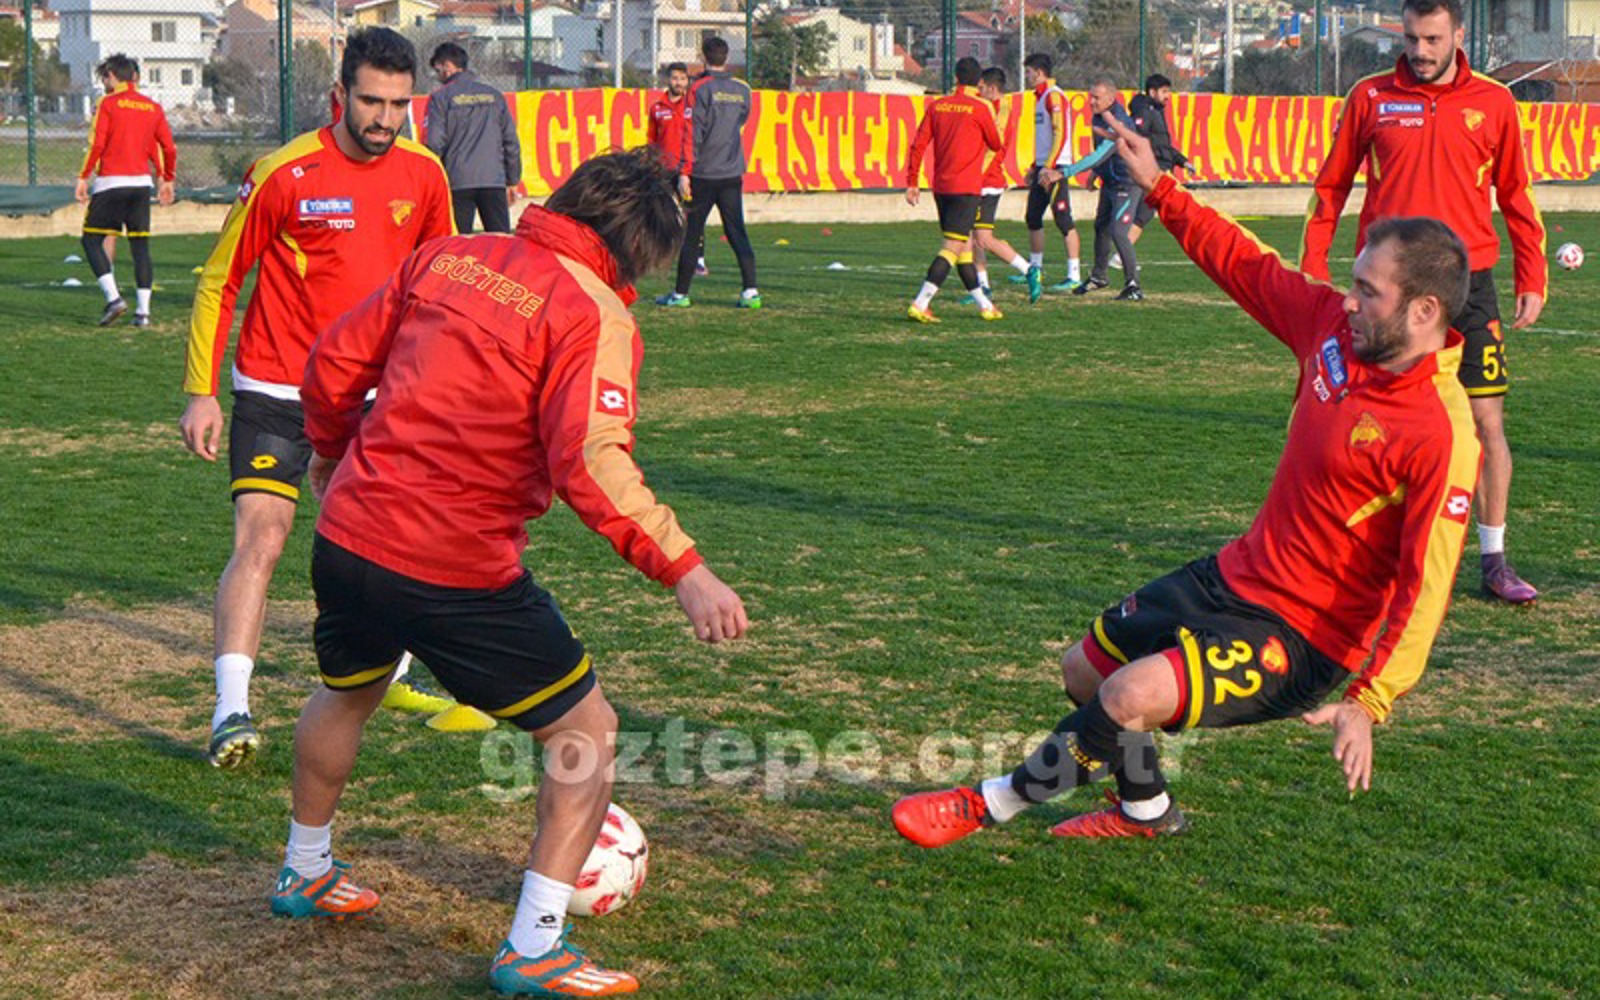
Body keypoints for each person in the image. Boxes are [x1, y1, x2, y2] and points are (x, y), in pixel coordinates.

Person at [894, 116, 1481, 848]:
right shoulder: (1333, 329)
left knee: (1126, 695)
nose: (1350, 300)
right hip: (1236, 575)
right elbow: (1245, 263)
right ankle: (1146, 811)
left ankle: (988, 804)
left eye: (1370, 291)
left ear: (1424, 311)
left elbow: (1427, 584)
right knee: (1085, 671)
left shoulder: (1440, 433)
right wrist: (1160, 188)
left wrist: (1371, 699)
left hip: (1302, 636)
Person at [281, 148, 748, 998]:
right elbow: (591, 461)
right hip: (451, 562)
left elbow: (336, 361)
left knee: (347, 691)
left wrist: (328, 451)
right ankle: (534, 946)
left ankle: (303, 868)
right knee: (587, 735)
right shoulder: (591, 311)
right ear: (637, 249)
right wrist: (685, 568)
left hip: (349, 534)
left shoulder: (449, 255)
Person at [180, 27, 455, 769]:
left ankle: (391, 674)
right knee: (262, 539)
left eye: (398, 104)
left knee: (392, 540)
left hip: (372, 395)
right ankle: (231, 709)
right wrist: (201, 391)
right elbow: (220, 280)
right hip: (276, 388)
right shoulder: (285, 172)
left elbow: (439, 285)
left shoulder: (425, 176)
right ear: (340, 95)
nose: (385, 118)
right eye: (371, 101)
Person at [1301, 0, 1546, 605]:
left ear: (1458, 34)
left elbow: (1516, 192)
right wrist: (1313, 267)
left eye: (1433, 39)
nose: (1420, 51)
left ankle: (1493, 560)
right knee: (1366, 420)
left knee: (1486, 422)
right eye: (1411, 38)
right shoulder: (1371, 95)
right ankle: (1355, 554)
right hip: (1391, 290)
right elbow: (1331, 185)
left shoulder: (1494, 101)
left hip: (1469, 285)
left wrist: (1532, 275)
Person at [658, 36, 759, 309]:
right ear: (727, 57)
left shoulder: (699, 89)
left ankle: (680, 294)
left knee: (692, 233)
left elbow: (692, 133)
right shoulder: (742, 90)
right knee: (736, 231)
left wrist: (684, 172)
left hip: (703, 173)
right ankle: (751, 291)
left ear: (703, 57)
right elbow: (742, 120)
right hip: (731, 173)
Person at [76, 54, 176, 328]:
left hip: (111, 183)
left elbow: (98, 143)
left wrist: (83, 176)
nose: (104, 83)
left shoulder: (107, 103)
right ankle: (143, 313)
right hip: (141, 185)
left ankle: (114, 299)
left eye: (104, 77)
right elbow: (167, 147)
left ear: (111, 76)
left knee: (91, 241)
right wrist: (166, 178)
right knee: (140, 247)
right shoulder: (152, 107)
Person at [903, 57, 1005, 323]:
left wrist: (912, 182)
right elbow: (996, 143)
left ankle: (985, 306)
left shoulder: (937, 106)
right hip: (966, 189)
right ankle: (920, 302)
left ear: (956, 78)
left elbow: (918, 144)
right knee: (951, 247)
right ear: (979, 81)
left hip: (942, 188)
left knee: (963, 250)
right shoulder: (980, 108)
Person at [425, 42, 522, 234]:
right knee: (501, 241)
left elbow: (434, 143)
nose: (437, 75)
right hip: (493, 179)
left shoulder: (440, 98)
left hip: (457, 180)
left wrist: (432, 181)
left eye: (437, 69)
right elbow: (511, 141)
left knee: (458, 244)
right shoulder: (495, 96)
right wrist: (512, 180)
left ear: (447, 66)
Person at [965, 66, 1043, 306]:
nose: (978, 92)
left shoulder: (1002, 109)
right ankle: (982, 286)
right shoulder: (990, 106)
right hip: (980, 179)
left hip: (987, 181)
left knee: (983, 239)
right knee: (973, 237)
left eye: (981, 88)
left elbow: (994, 146)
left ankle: (1028, 269)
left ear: (992, 88)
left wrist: (974, 174)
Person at [1070, 78, 1144, 300]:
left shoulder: (1118, 121)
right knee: (1101, 227)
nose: (1091, 101)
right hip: (1110, 182)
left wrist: (1064, 173)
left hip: (1127, 183)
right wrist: (1096, 173)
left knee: (1119, 232)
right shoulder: (1098, 116)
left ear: (1111, 99)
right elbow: (1103, 153)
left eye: (1096, 97)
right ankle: (1099, 277)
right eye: (1090, 96)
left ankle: (1133, 286)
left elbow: (1099, 155)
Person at [1016, 54, 1082, 292]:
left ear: (1039, 72)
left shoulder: (1054, 96)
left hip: (1056, 168)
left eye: (1029, 72)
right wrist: (1035, 166)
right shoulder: (1040, 97)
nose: (1027, 76)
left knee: (1063, 219)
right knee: (1033, 217)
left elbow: (1060, 134)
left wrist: (1050, 166)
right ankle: (1035, 269)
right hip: (1044, 166)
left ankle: (1074, 274)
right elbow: (1045, 139)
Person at [648, 61, 707, 277]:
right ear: (668, 80)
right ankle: (661, 256)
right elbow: (652, 139)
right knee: (662, 214)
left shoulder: (693, 106)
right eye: (675, 78)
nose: (679, 82)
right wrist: (652, 162)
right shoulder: (657, 108)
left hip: (689, 169)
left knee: (692, 214)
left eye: (683, 79)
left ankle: (698, 259)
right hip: (665, 169)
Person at [1125, 73, 1189, 249]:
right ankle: (1121, 254)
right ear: (1153, 92)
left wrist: (1182, 161)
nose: (1168, 96)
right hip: (1153, 171)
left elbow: (1162, 146)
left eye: (1168, 91)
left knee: (1146, 213)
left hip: (1160, 170)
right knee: (1143, 214)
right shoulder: (1146, 112)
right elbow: (1139, 138)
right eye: (1164, 91)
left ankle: (1120, 253)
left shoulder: (1155, 111)